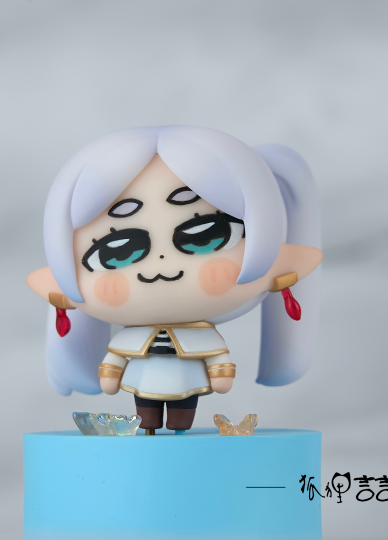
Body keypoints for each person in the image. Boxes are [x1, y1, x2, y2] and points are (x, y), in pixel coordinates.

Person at [27, 126, 322, 433]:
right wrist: (110, 374)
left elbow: (216, 356)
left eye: (206, 236)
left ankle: (179, 432)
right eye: (115, 251)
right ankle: (151, 429)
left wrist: (221, 373)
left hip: (188, 381)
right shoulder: (131, 338)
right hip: (141, 381)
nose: (160, 265)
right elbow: (116, 357)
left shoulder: (201, 335)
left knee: (183, 416)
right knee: (146, 415)